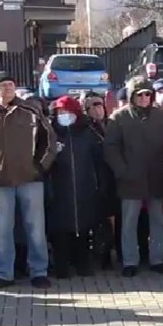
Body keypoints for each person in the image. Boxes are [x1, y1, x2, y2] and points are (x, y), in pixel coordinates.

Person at [0, 72, 58, 290]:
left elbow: (50, 142)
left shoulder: (30, 111)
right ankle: (3, 274)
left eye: (11, 85)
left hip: (31, 179)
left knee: (35, 228)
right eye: (3, 86)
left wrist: (40, 167)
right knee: (2, 230)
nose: (8, 89)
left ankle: (39, 272)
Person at [104, 77, 163, 277]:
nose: (144, 98)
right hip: (130, 179)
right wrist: (121, 170)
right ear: (132, 95)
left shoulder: (162, 117)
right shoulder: (119, 118)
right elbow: (110, 147)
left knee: (158, 221)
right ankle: (129, 261)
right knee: (128, 222)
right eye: (140, 94)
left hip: (158, 176)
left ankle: (158, 259)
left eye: (147, 94)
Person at [45, 96, 106, 278]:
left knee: (83, 228)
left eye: (68, 112)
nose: (64, 116)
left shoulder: (88, 132)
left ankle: (83, 263)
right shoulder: (50, 134)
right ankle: (61, 265)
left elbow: (99, 160)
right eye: (60, 113)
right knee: (60, 230)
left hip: (84, 187)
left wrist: (100, 184)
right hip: (58, 189)